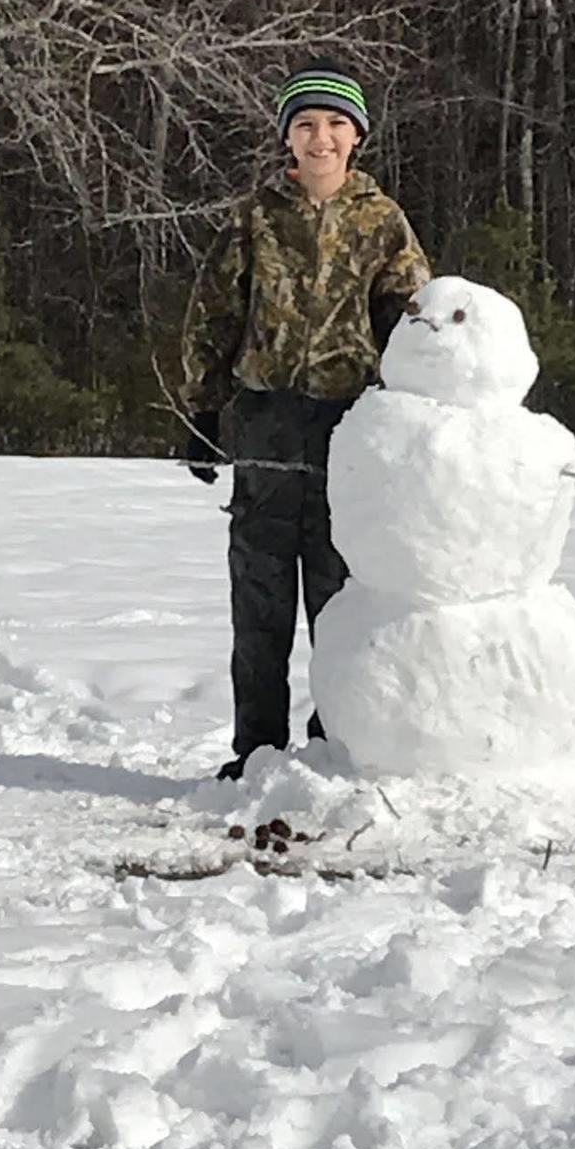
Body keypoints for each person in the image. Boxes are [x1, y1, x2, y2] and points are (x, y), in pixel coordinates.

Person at [175, 62, 431, 780]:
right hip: (266, 425)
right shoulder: (255, 217)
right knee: (259, 596)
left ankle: (330, 745)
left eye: (335, 126)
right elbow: (214, 313)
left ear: (357, 139)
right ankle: (255, 750)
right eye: (306, 125)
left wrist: (416, 418)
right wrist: (201, 408)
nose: (321, 139)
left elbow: (413, 325)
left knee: (337, 596)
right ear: (287, 137)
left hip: (350, 430)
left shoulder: (382, 222)